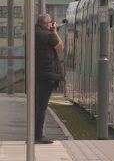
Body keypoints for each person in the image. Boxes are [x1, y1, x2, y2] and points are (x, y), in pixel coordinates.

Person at [35, 13, 64, 144]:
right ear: (46, 24)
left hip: (36, 73)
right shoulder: (49, 35)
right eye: (50, 23)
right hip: (48, 75)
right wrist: (54, 31)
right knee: (42, 106)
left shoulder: (33, 34)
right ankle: (39, 136)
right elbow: (60, 46)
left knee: (38, 105)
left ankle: (36, 134)